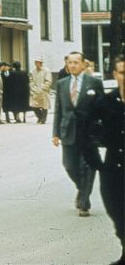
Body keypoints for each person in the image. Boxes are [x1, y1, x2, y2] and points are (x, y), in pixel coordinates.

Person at [81, 55, 124, 264]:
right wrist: (96, 163)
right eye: (123, 72)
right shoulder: (104, 103)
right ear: (115, 75)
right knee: (117, 214)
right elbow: (85, 131)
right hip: (114, 168)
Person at [52, 51, 105, 217]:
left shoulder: (94, 83)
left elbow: (102, 109)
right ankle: (82, 190)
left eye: (76, 62)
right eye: (70, 62)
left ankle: (84, 203)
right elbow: (58, 110)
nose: (73, 65)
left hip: (89, 132)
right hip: (68, 131)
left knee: (88, 166)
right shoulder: (61, 83)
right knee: (69, 166)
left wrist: (104, 131)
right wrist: (55, 133)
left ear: (83, 64)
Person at [29, 56, 52, 124]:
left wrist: (43, 88)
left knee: (45, 105)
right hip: (35, 91)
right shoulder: (33, 71)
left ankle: (43, 119)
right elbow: (31, 80)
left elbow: (48, 81)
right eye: (35, 62)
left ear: (41, 63)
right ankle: (39, 116)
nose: (36, 64)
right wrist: (33, 88)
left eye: (37, 62)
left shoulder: (46, 71)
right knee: (34, 106)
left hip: (44, 91)